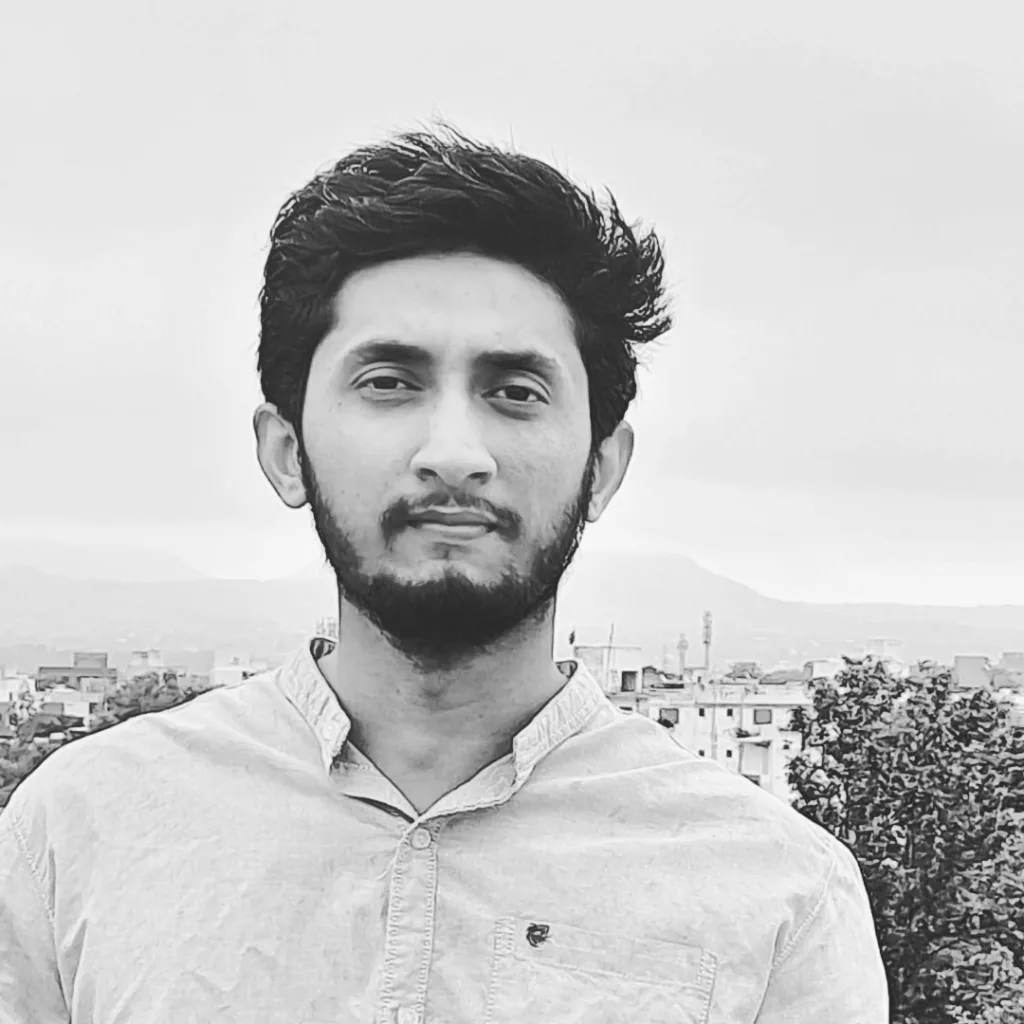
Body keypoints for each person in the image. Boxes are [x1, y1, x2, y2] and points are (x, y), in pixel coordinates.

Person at [0, 126, 889, 1023]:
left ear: (603, 468)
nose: (455, 453)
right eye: (389, 382)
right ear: (286, 451)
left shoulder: (777, 896)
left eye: (516, 391)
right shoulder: (78, 835)